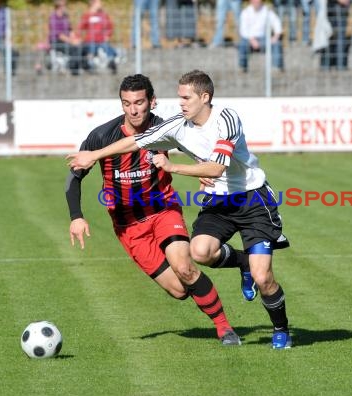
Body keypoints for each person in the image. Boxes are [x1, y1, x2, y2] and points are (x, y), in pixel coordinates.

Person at [67, 70, 292, 349]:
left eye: (186, 98)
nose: (181, 103)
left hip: (249, 199)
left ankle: (277, 329)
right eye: (179, 97)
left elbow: (217, 167)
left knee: (258, 276)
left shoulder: (227, 118)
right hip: (208, 203)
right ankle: (243, 262)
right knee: (194, 261)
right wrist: (94, 155)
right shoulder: (169, 125)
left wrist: (178, 168)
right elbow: (138, 141)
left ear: (204, 97)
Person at [238, 0, 284, 73]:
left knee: (277, 43)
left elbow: (276, 22)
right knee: (242, 44)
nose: (256, 2)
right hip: (249, 39)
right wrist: (252, 40)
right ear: (251, 1)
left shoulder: (267, 11)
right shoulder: (245, 12)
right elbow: (243, 30)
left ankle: (277, 67)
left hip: (264, 39)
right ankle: (242, 67)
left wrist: (276, 36)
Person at [49, 0, 88, 76]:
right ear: (59, 6)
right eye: (64, 5)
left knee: (83, 46)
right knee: (75, 48)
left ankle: (85, 67)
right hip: (57, 41)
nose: (65, 7)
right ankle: (71, 68)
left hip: (66, 40)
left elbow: (70, 30)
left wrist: (76, 38)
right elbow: (59, 35)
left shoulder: (65, 17)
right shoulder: (53, 17)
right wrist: (72, 41)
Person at [78, 0, 118, 74]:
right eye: (98, 2)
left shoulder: (103, 15)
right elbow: (80, 27)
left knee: (108, 49)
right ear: (93, 3)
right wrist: (80, 38)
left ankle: (112, 62)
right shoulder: (87, 15)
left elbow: (110, 27)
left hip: (101, 40)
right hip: (90, 40)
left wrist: (108, 35)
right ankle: (89, 65)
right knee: (91, 49)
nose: (101, 4)